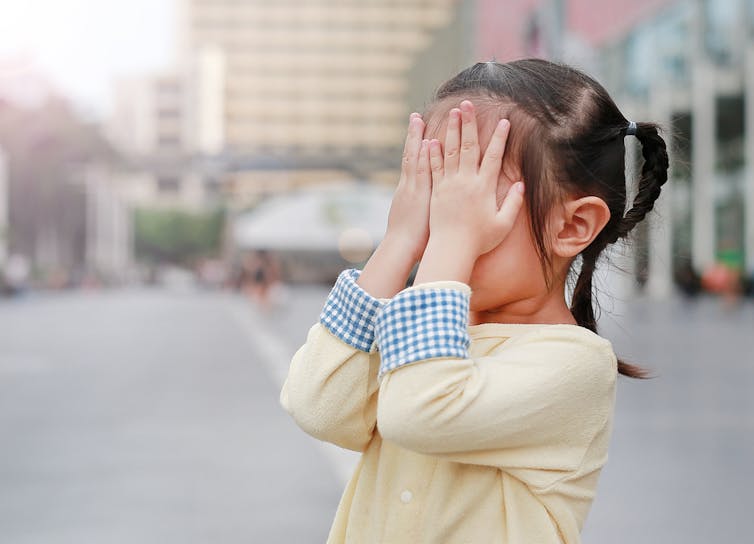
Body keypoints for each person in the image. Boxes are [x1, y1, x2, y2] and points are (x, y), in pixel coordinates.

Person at [280, 59, 669, 543]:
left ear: (571, 227)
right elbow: (320, 406)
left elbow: (420, 411)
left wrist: (449, 242)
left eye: (471, 202)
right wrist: (399, 241)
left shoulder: (574, 365)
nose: (443, 223)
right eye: (434, 194)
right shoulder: (423, 333)